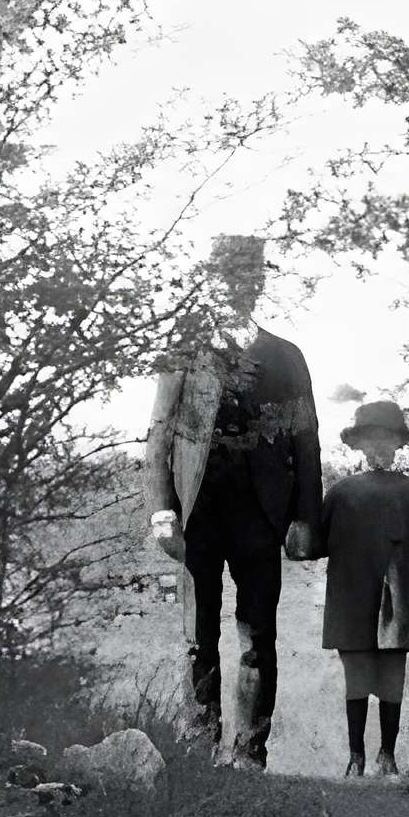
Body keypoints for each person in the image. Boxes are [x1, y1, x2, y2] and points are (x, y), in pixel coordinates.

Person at [142, 234, 322, 767]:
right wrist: (161, 509)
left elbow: (307, 441)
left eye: (249, 278)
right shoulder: (183, 352)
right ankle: (200, 747)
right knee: (197, 639)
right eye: (228, 278)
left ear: (260, 283)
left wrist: (305, 519)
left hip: (260, 518)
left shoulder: (285, 357)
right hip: (196, 516)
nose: (238, 288)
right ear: (212, 283)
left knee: (256, 638)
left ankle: (248, 754)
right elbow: (158, 433)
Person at [316, 398, 409, 779]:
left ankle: (375, 756)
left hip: (374, 600)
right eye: (373, 437)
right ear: (360, 444)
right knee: (370, 677)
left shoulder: (405, 493)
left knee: (381, 677)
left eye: (384, 437)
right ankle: (368, 757)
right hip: (374, 599)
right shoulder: (349, 493)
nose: (378, 445)